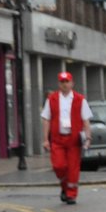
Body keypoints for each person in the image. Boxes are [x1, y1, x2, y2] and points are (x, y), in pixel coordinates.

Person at [41, 71, 91, 205]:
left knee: (73, 168)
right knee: (59, 166)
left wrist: (88, 138)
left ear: (72, 83)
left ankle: (71, 194)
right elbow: (46, 119)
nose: (64, 84)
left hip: (74, 139)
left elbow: (86, 120)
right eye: (62, 82)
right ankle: (64, 186)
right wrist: (45, 139)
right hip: (57, 139)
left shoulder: (80, 99)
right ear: (59, 84)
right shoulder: (51, 99)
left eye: (67, 82)